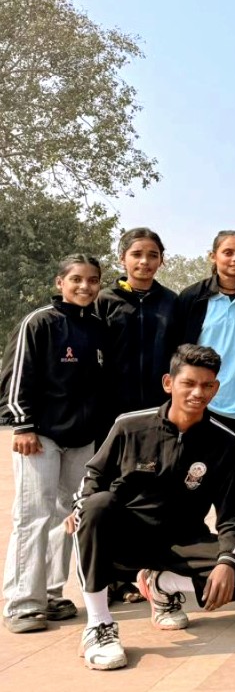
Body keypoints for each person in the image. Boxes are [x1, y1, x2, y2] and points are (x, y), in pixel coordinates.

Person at [71, 344, 235, 670]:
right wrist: (81, 507)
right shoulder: (130, 426)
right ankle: (98, 624)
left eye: (206, 385)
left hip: (183, 541)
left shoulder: (226, 443)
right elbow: (94, 477)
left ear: (216, 388)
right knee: (96, 506)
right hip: (127, 540)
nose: (197, 393)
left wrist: (226, 561)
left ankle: (161, 585)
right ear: (168, 383)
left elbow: (234, 513)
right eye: (188, 383)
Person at [2, 254, 105, 634]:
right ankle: (23, 603)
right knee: (33, 515)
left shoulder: (97, 327)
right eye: (76, 279)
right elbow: (16, 377)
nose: (85, 286)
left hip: (82, 439)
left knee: (67, 517)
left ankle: (51, 594)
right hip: (41, 437)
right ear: (60, 282)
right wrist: (23, 426)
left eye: (92, 280)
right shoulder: (39, 322)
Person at [172, 230, 235, 467]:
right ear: (213, 256)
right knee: (191, 477)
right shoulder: (192, 298)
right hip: (200, 405)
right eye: (228, 252)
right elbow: (177, 350)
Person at [97, 228, 178, 431]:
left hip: (159, 405)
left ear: (161, 260)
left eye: (153, 255)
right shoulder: (104, 300)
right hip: (110, 406)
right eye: (136, 254)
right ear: (122, 259)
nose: (144, 261)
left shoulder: (172, 301)